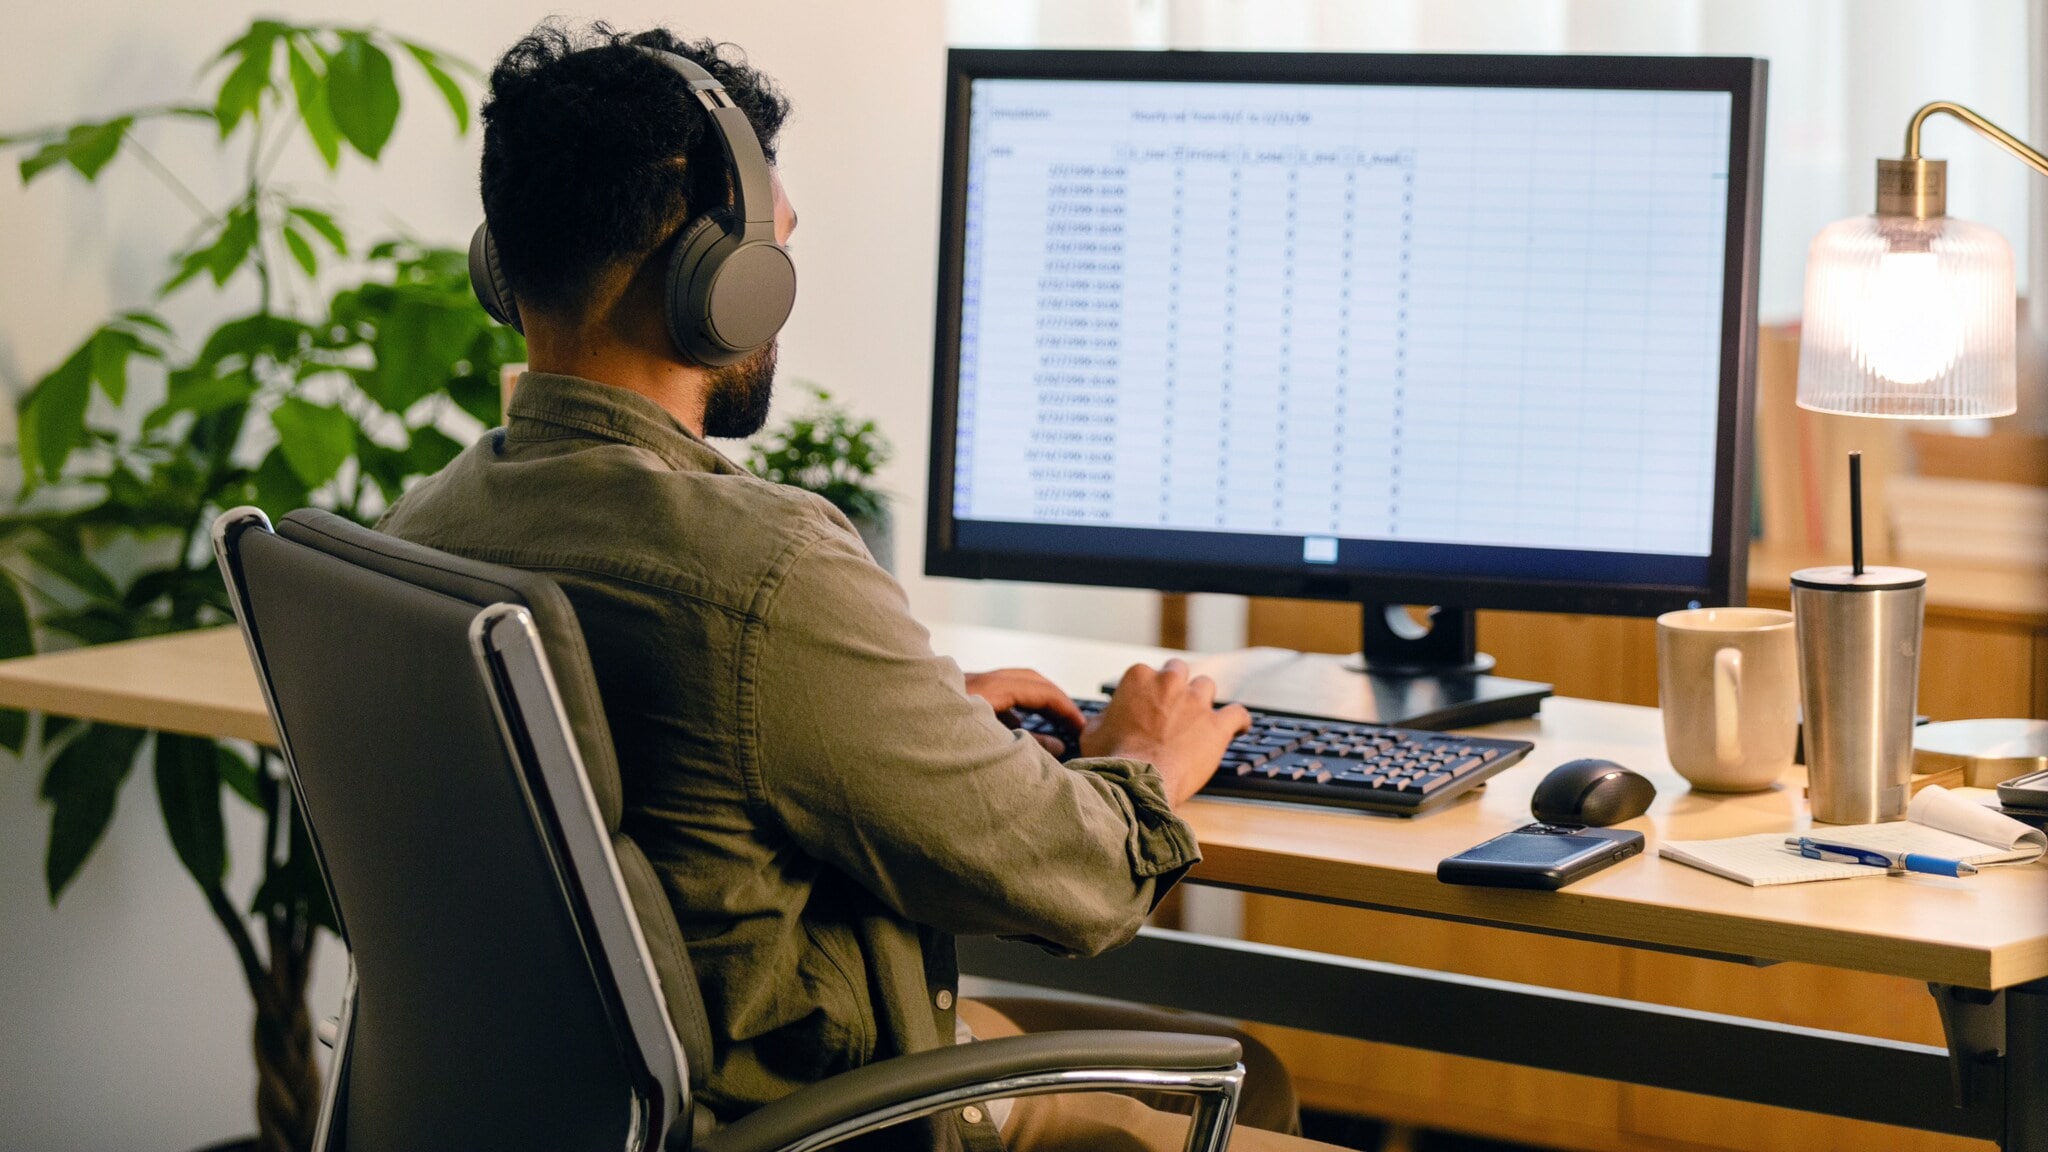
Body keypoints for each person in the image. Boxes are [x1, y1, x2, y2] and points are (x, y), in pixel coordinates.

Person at [380, 21, 1346, 1152]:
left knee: (1255, 1078)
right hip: (817, 1118)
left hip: (587, 1114)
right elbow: (1076, 881)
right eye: (775, 250)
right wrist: (1145, 758)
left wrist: (912, 710)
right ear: (718, 281)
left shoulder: (423, 528)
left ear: (505, 262)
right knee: (1236, 1089)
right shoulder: (763, 568)